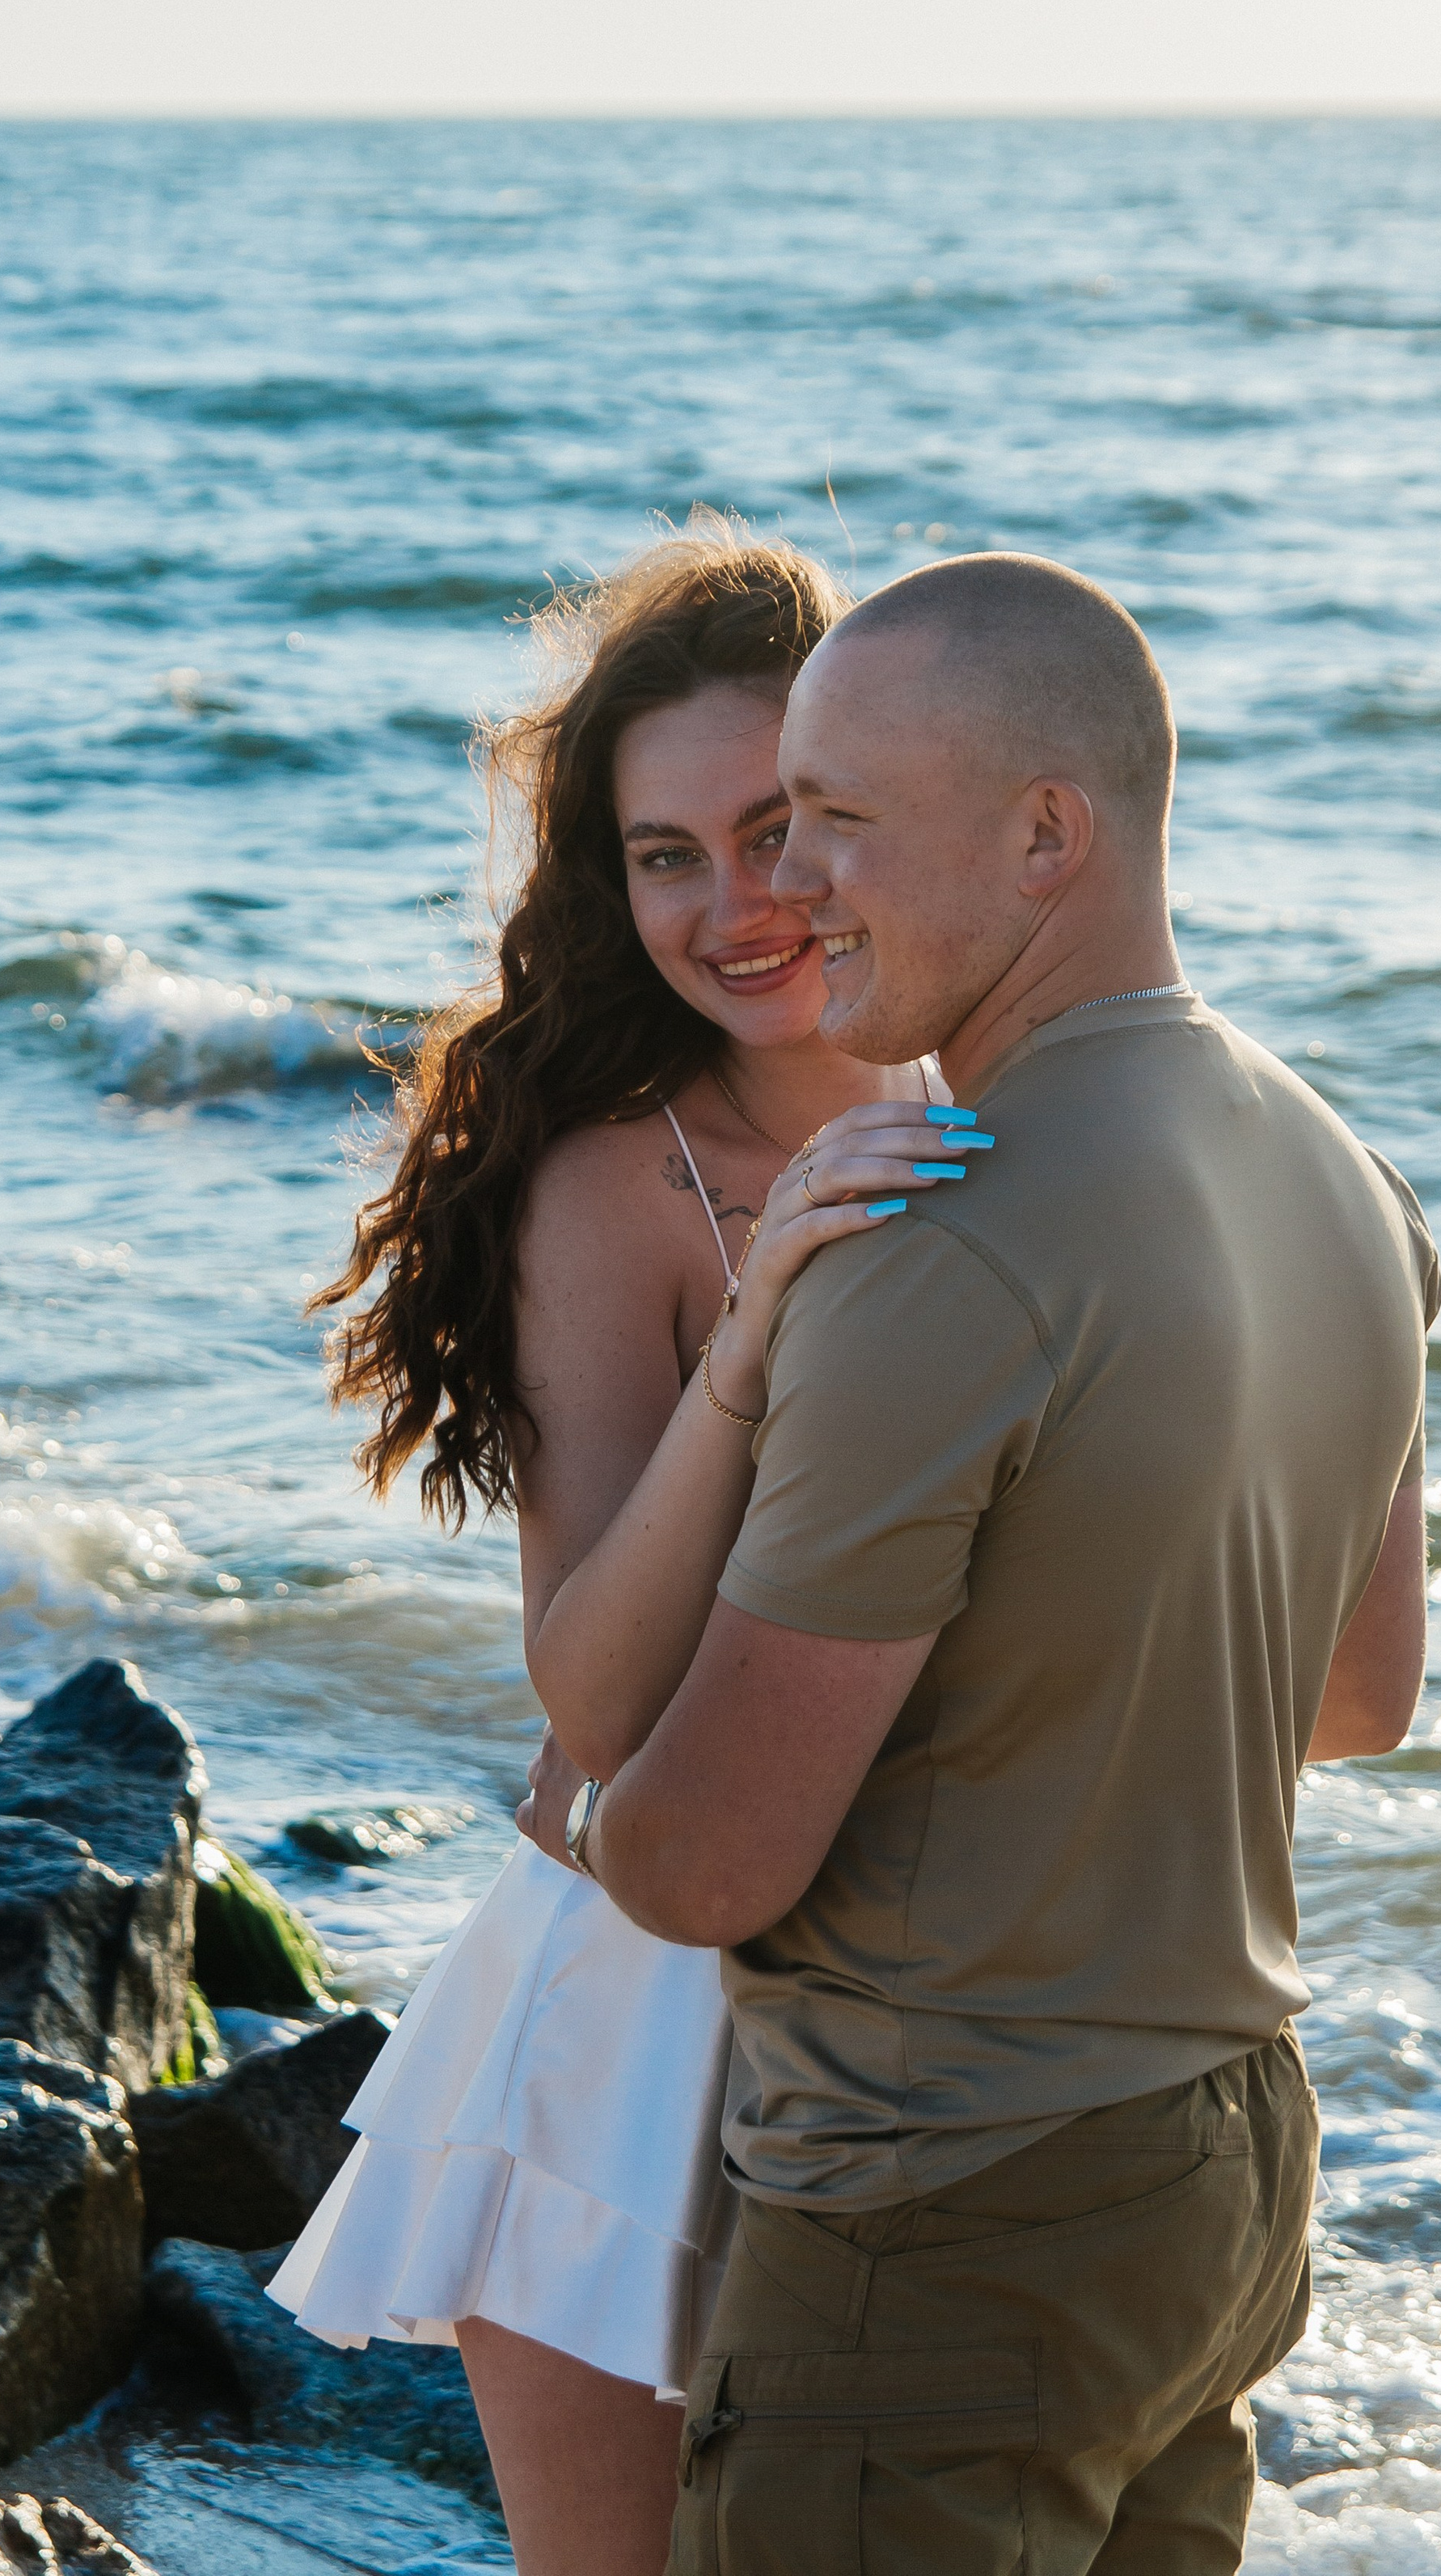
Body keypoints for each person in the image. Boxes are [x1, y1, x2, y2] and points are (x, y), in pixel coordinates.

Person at [518, 551, 1441, 2575]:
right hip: (1220, 2172)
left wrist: (585, 1811)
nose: (793, 883)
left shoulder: (923, 1253)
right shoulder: (1341, 1175)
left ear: (1044, 836)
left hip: (941, 2216)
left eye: (836, 820)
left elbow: (695, 1869)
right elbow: (1357, 1698)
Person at [269, 526, 976, 2576]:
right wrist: (755, 1338)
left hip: (946, 2007)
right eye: (664, 855)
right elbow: (586, 1688)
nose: (731, 906)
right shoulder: (619, 1184)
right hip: (638, 2019)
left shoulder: (1018, 1110)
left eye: (775, 831)